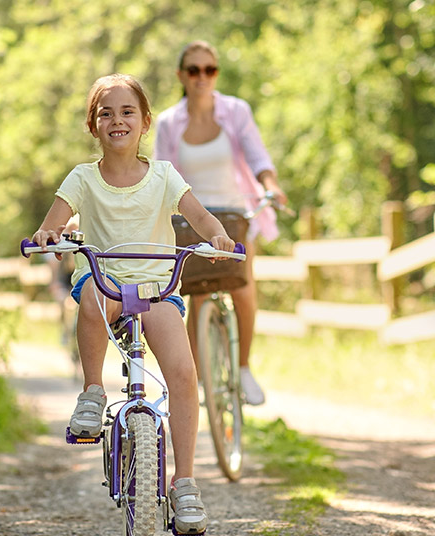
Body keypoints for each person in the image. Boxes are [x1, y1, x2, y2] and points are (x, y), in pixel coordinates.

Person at [32, 73, 239, 534]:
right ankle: (92, 392)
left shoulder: (164, 176)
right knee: (89, 296)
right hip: (106, 280)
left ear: (145, 122)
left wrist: (218, 236)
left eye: (127, 112)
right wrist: (48, 235)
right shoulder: (83, 178)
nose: (117, 120)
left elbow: (199, 215)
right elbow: (54, 222)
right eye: (106, 113)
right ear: (93, 126)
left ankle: (184, 483)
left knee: (184, 375)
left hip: (157, 286)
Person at [153, 40, 288, 406]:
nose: (202, 77)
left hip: (235, 213)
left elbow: (257, 154)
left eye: (209, 70)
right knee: (197, 292)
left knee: (242, 288)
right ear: (182, 75)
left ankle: (243, 369)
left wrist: (271, 186)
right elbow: (162, 172)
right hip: (191, 217)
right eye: (193, 70)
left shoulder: (236, 111)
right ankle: (196, 380)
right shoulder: (168, 122)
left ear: (216, 74)